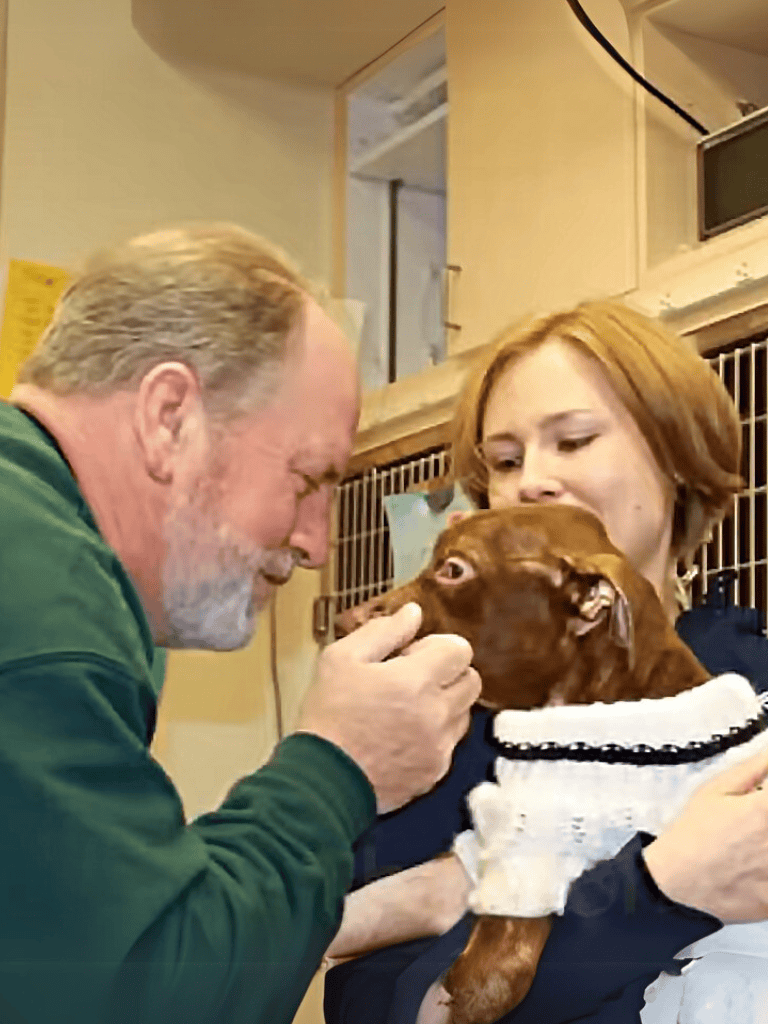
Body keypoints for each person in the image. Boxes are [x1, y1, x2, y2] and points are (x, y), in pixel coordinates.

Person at [0, 223, 482, 1024]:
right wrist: (339, 766)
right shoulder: (46, 606)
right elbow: (139, 999)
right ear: (168, 418)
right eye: (309, 480)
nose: (317, 545)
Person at [324, 299, 768, 1024]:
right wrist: (657, 890)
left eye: (573, 440)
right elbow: (381, 1003)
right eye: (504, 461)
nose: (530, 480)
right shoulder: (440, 734)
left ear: (677, 458)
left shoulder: (749, 689)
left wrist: (481, 901)